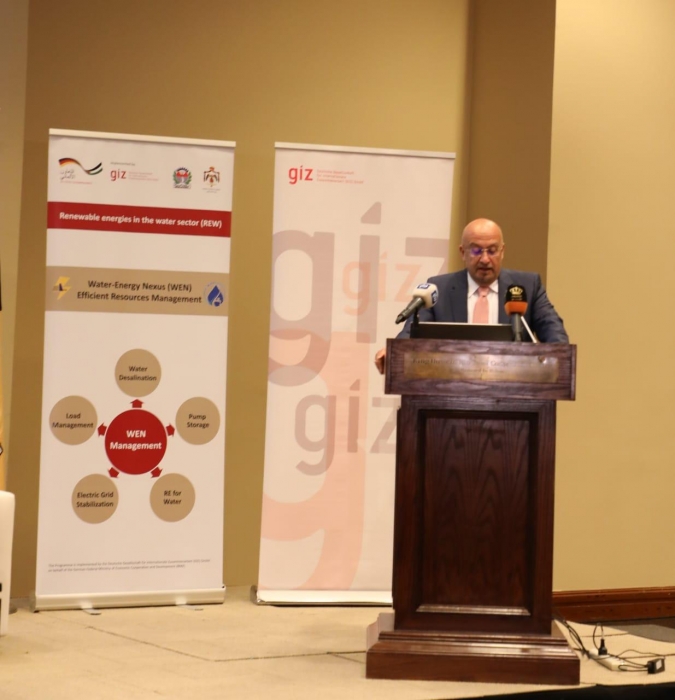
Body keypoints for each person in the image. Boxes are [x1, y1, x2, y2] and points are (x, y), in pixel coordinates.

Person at [374, 218, 568, 374]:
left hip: (513, 392)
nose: (485, 259)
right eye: (476, 250)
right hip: (449, 392)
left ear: (502, 252)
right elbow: (412, 331)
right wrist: (394, 352)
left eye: (492, 250)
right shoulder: (439, 289)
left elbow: (553, 330)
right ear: (462, 252)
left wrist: (561, 356)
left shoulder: (527, 286)